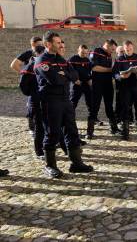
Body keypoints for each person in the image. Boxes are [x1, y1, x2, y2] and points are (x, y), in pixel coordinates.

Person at [34, 31, 93, 178]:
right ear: (48, 44)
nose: (61, 45)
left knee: (72, 131)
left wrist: (64, 74)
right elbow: (54, 79)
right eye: (58, 42)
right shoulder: (42, 60)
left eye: (61, 42)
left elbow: (75, 76)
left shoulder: (62, 60)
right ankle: (50, 166)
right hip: (50, 100)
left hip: (65, 100)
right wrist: (65, 75)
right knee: (52, 133)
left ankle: (76, 163)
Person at [112, 40, 137, 140]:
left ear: (133, 48)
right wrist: (121, 77)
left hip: (136, 87)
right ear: (124, 49)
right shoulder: (119, 59)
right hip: (124, 88)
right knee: (125, 110)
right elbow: (114, 74)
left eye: (130, 49)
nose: (128, 51)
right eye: (127, 50)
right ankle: (126, 132)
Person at [10, 36, 43, 135]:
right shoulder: (28, 53)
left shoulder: (44, 53)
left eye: (42, 44)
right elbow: (14, 64)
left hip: (41, 83)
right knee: (31, 106)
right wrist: (24, 73)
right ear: (33, 44)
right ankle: (32, 128)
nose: (41, 46)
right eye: (39, 44)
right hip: (31, 83)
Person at [87, 39, 119, 139]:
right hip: (97, 84)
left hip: (108, 84)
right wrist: (110, 70)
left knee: (109, 106)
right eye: (112, 49)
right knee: (94, 107)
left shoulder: (109, 55)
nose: (113, 51)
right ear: (107, 45)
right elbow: (94, 67)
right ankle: (90, 131)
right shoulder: (96, 51)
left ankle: (114, 128)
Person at [19, 45, 46, 160]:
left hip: (46, 99)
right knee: (39, 127)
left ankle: (47, 146)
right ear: (37, 54)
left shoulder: (44, 64)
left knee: (47, 125)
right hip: (35, 101)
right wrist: (33, 94)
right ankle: (39, 151)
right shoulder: (30, 66)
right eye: (44, 53)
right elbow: (23, 85)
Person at [69, 45, 94, 138]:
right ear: (78, 50)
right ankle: (71, 130)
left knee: (91, 106)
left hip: (87, 85)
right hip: (76, 85)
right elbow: (69, 71)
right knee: (72, 106)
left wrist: (90, 79)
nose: (84, 54)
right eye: (82, 52)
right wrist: (75, 79)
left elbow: (90, 71)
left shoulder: (88, 61)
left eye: (86, 53)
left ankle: (90, 132)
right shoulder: (72, 59)